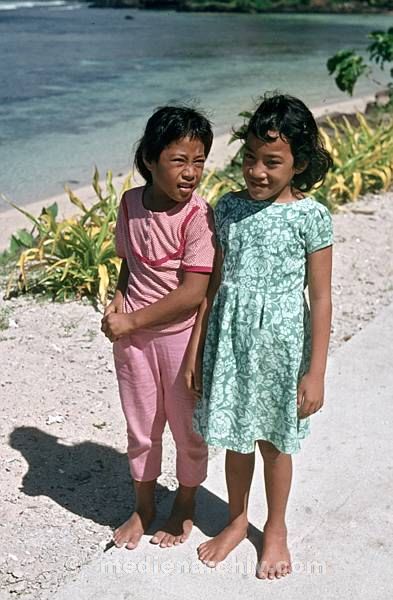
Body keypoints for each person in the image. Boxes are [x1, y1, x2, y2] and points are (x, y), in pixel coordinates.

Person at [185, 93, 333, 579]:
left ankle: (275, 528)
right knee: (235, 440)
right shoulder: (227, 209)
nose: (257, 171)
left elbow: (322, 297)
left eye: (272, 162)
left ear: (300, 163)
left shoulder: (311, 217)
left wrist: (315, 372)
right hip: (228, 344)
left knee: (274, 443)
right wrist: (196, 352)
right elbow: (212, 287)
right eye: (250, 158)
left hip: (281, 348)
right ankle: (235, 519)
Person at [101, 106, 216, 550]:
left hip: (180, 341)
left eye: (199, 160)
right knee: (141, 426)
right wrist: (118, 298)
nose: (191, 173)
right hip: (133, 343)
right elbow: (129, 262)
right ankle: (144, 504)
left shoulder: (198, 217)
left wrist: (130, 319)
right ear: (149, 158)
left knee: (188, 429)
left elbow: (191, 293)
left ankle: (184, 503)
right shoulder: (131, 203)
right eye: (179, 160)